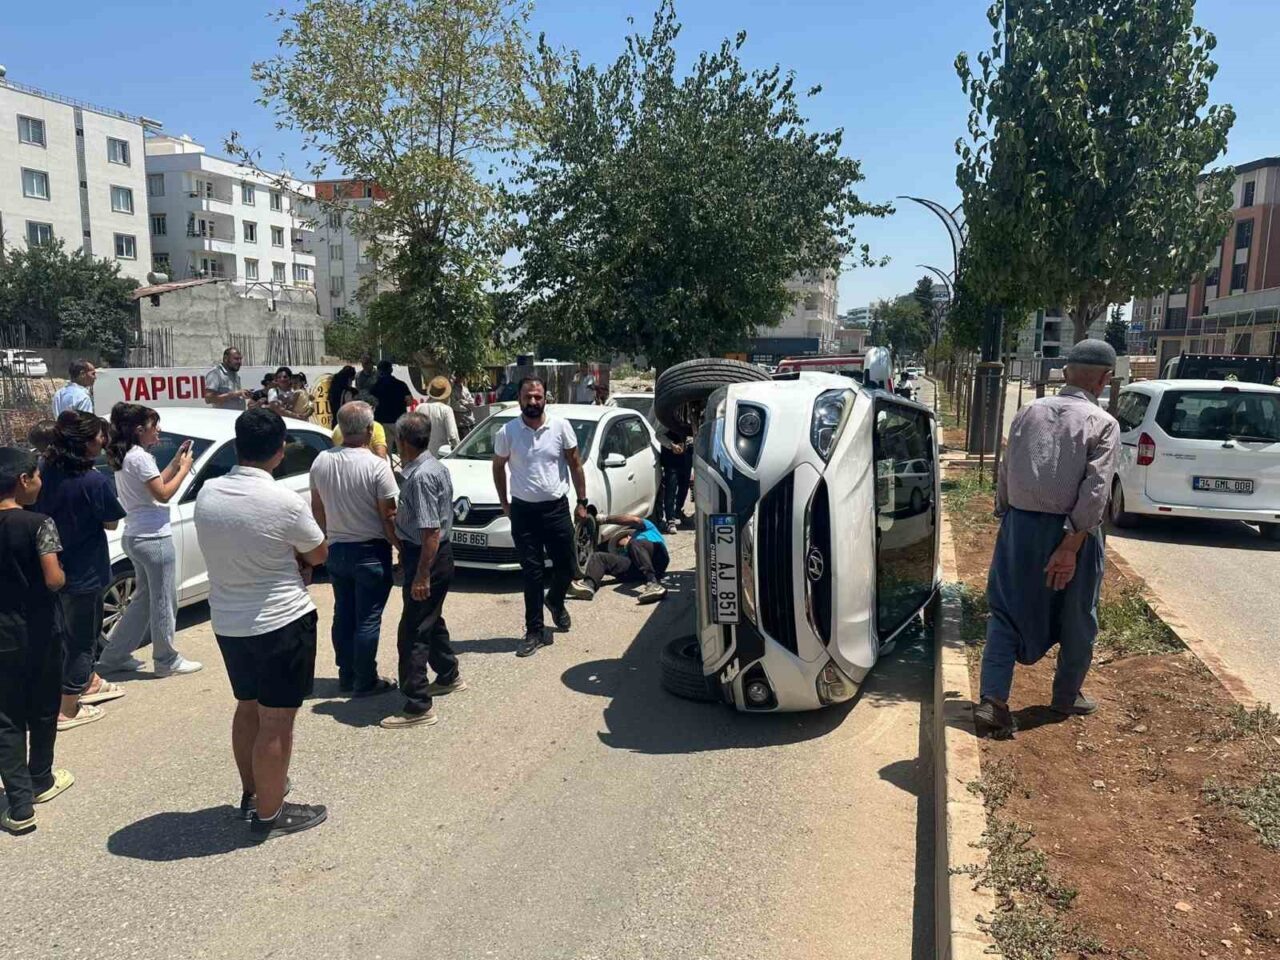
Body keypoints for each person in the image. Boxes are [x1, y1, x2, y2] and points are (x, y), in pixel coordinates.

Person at [194, 408, 329, 839]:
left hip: (229, 623)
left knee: (247, 707)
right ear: (279, 451)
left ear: (238, 446)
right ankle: (271, 814)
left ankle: (253, 793)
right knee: (277, 720)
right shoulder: (284, 501)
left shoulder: (209, 493)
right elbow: (318, 553)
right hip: (280, 620)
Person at [975, 339, 1120, 739]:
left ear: (1065, 372)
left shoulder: (1027, 412)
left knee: (1004, 613)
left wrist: (1008, 517)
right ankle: (1066, 696)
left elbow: (1006, 468)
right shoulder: (1102, 423)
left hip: (1019, 527)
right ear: (1105, 379)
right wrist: (1070, 547)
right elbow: (1096, 491)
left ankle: (993, 700)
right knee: (1077, 615)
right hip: (1072, 533)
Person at [35, 412, 127, 732]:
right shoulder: (94, 481)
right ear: (86, 443)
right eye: (99, 437)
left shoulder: (42, 471)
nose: (104, 441)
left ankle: (86, 683)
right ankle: (69, 707)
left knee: (60, 634)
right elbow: (111, 521)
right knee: (82, 640)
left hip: (48, 567)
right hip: (84, 571)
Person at [96, 403, 202, 677]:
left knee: (143, 600)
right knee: (164, 600)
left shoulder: (128, 456)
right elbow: (164, 494)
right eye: (155, 427)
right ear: (139, 430)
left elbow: (154, 485)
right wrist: (185, 468)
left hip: (136, 534)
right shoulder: (140, 458)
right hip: (153, 536)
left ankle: (114, 656)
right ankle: (166, 659)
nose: (159, 431)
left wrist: (175, 462)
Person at [0, 446, 72, 835]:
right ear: (23, 481)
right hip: (41, 631)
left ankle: (19, 806)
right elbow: (53, 579)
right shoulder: (39, 523)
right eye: (36, 475)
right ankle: (41, 778)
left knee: (6, 718)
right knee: (43, 707)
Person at [492, 377, 590, 658]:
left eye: (538, 397)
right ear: (519, 399)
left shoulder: (560, 427)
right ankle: (534, 631)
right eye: (528, 397)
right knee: (532, 573)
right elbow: (498, 467)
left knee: (569, 566)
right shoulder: (508, 432)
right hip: (524, 513)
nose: (533, 402)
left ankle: (556, 601)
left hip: (556, 509)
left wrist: (582, 502)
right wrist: (504, 502)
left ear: (546, 398)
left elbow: (575, 463)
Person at [310, 401, 399, 696]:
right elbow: (388, 515)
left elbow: (318, 507)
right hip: (371, 551)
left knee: (343, 614)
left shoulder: (321, 460)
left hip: (337, 549)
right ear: (370, 430)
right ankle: (365, 679)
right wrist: (398, 544)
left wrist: (327, 535)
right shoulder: (377, 466)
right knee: (368, 618)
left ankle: (346, 673)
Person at [381, 412, 462, 729]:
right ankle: (448, 673)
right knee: (430, 617)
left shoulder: (422, 477)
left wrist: (421, 575)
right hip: (431, 555)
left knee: (412, 632)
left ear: (401, 441)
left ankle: (417, 705)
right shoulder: (434, 467)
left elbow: (431, 532)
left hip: (429, 557)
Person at [567, 513, 668, 604]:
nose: (620, 547)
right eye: (618, 547)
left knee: (634, 544)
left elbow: (635, 520)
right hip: (638, 570)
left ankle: (653, 584)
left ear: (628, 535)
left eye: (622, 541)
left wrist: (605, 519)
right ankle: (589, 585)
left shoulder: (646, 530)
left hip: (657, 558)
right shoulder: (628, 551)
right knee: (598, 556)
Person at [657, 421, 694, 534]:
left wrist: (690, 441)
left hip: (686, 457)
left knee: (684, 486)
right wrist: (671, 445)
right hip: (671, 458)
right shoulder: (669, 417)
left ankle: (678, 511)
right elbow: (658, 434)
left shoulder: (690, 417)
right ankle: (670, 520)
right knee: (671, 488)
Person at [368, 360, 412, 449]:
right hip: (399, 420)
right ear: (391, 370)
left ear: (379, 371)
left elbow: (371, 402)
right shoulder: (401, 384)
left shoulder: (375, 386)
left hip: (381, 421)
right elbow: (409, 401)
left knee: (385, 450)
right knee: (403, 450)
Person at [423, 376, 460, 456]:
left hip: (422, 455)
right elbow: (453, 436)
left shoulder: (419, 408)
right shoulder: (446, 410)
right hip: (441, 455)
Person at [449, 374, 476, 438]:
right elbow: (455, 406)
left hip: (471, 421)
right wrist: (468, 407)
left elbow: (472, 403)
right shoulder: (451, 391)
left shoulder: (465, 389)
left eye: (462, 377)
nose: (461, 379)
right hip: (460, 423)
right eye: (459, 376)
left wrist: (463, 402)